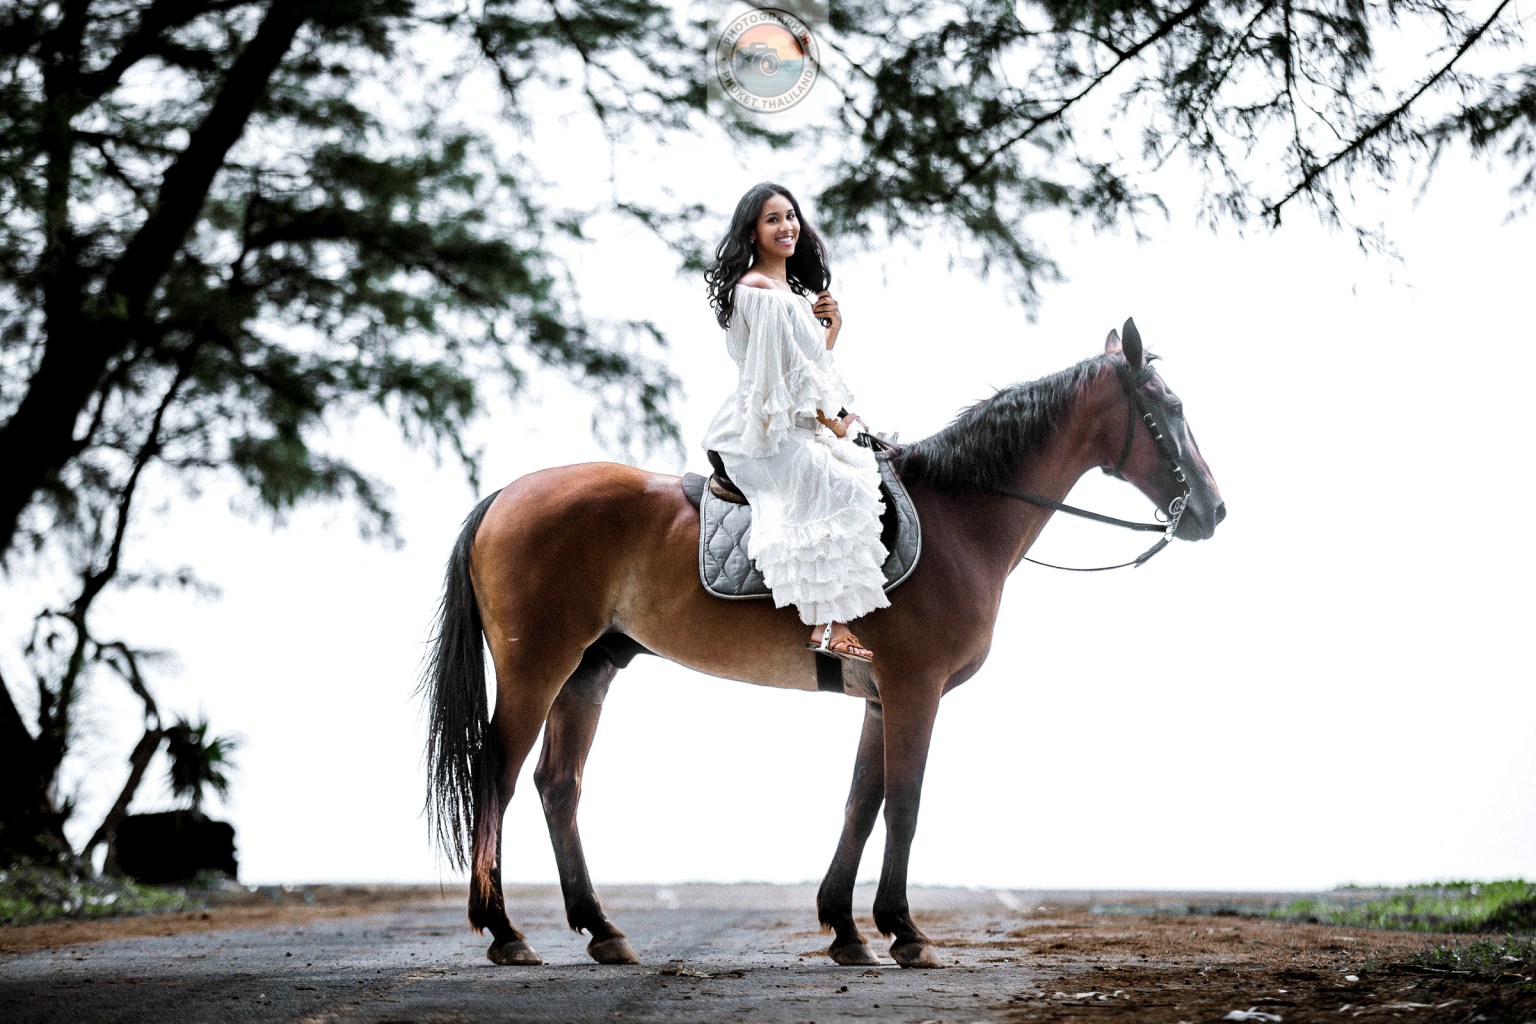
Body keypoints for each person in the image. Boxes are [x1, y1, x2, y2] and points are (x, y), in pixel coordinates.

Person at [701, 182, 889, 663]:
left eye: (791, 216)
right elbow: (773, 387)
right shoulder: (759, 291)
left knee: (863, 463)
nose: (787, 227)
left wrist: (831, 333)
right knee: (835, 484)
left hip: (792, 421)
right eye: (772, 219)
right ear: (753, 232)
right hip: (759, 433)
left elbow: (809, 371)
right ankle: (827, 623)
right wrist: (831, 420)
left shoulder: (790, 292)